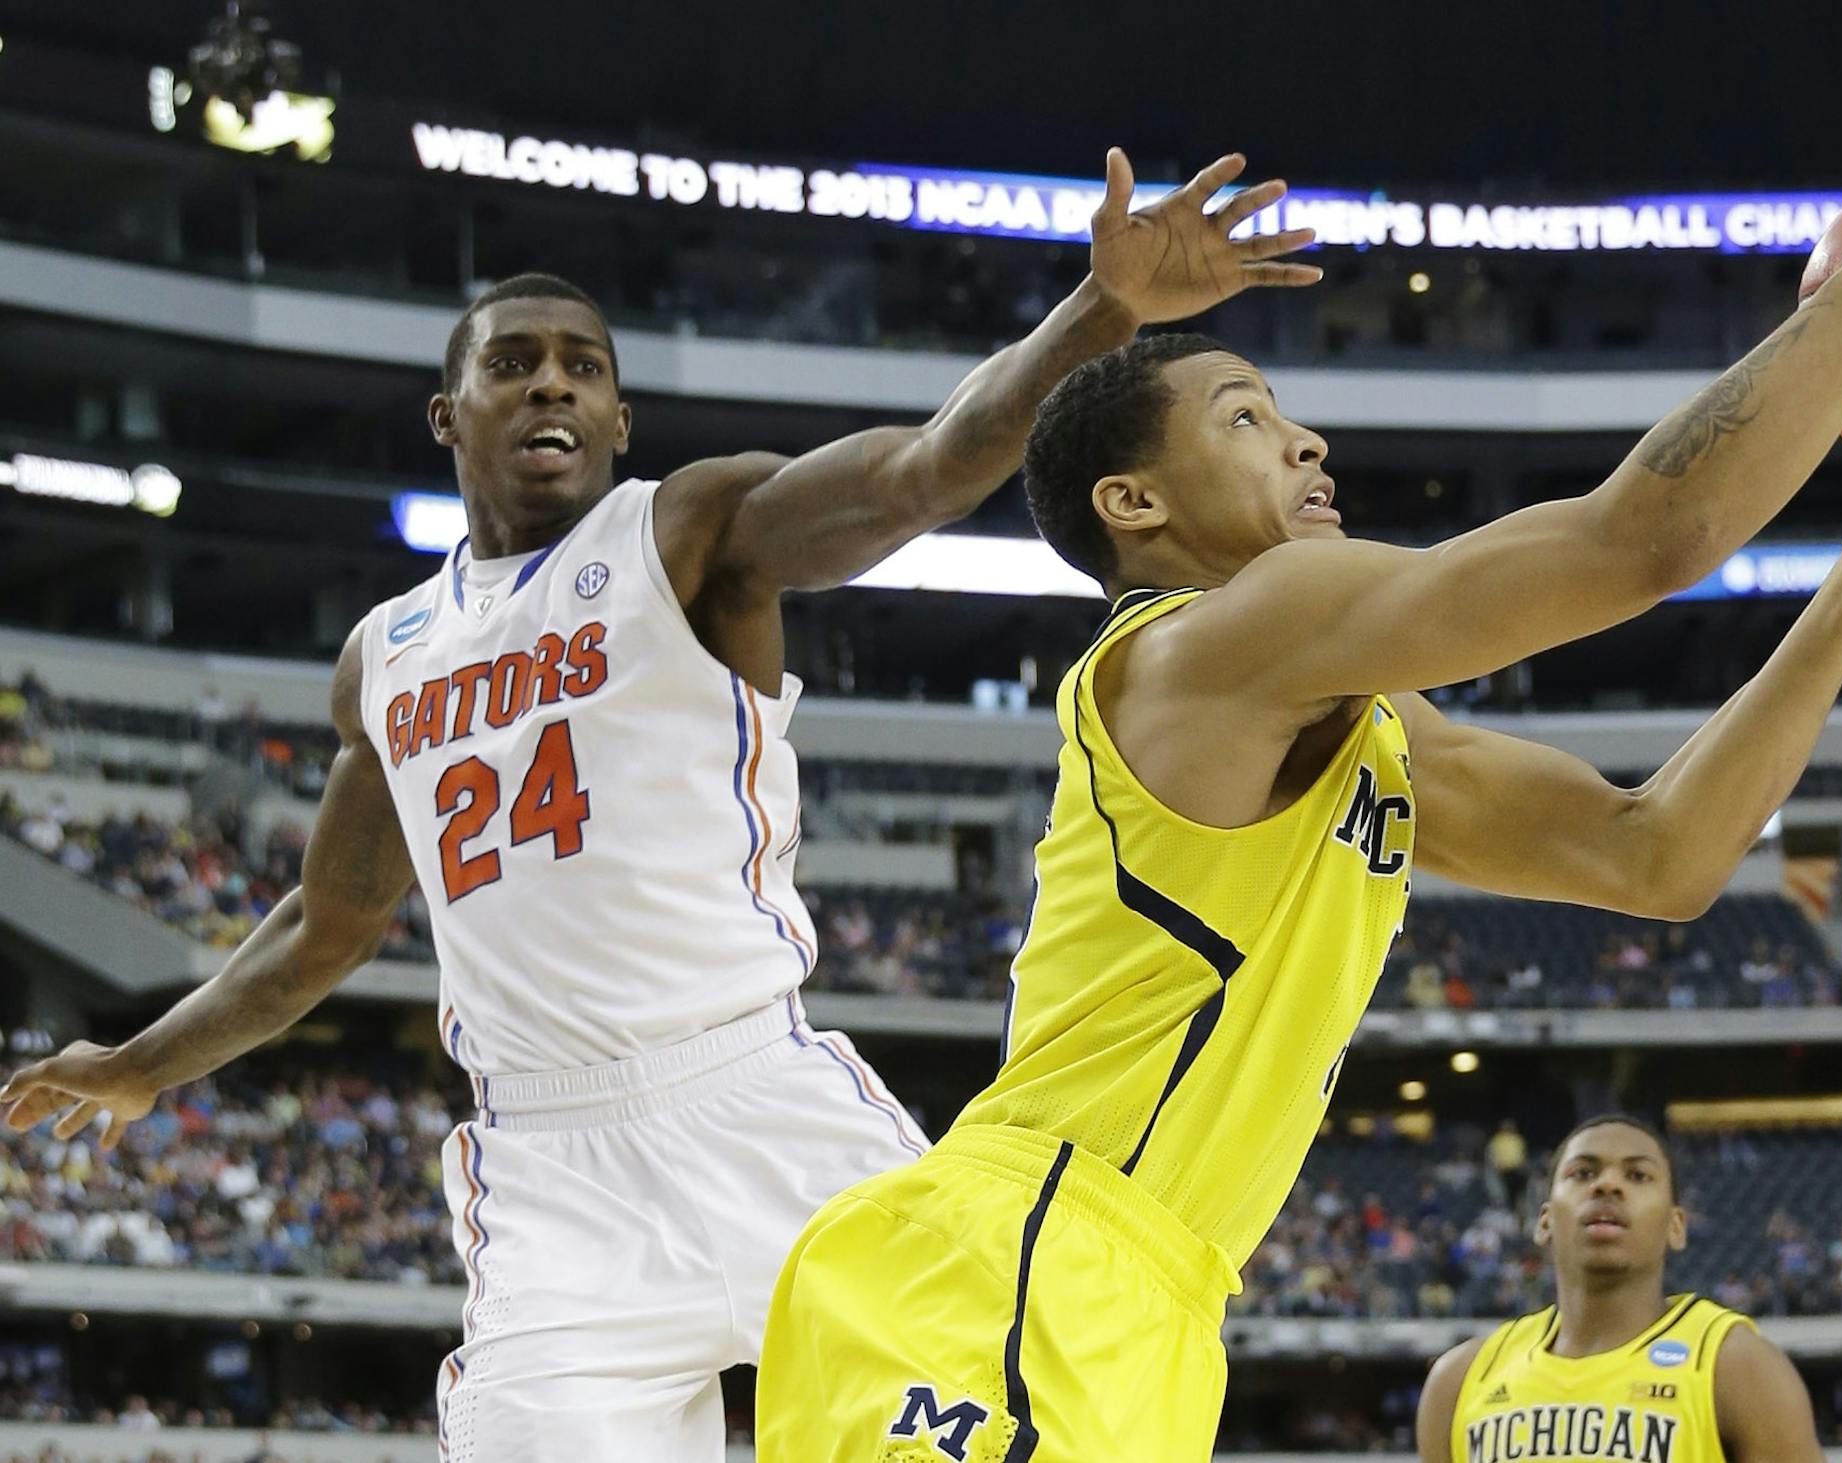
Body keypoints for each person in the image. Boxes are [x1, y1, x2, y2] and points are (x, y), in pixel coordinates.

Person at [751, 145, 1842, 1462]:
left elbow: (1658, 856)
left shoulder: (1363, 731)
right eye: (1245, 416)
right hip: (1011, 1260)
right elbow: (1637, 541)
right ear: (1134, 500)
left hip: (1146, 1297)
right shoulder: (1206, 641)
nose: (1307, 437)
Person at [0, 148, 1320, 1460]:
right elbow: (323, 926)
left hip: (760, 1099)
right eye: (514, 362)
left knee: (998, 1419)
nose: (553, 382)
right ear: (449, 415)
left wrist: (1099, 311)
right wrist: (139, 1063)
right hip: (551, 1174)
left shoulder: (687, 530)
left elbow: (922, 470)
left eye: (583, 365)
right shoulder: (383, 658)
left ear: (620, 421)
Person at [1417, 1117, 1823, 1463]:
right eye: (1583, 1173)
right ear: (1544, 1221)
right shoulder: (1459, 1380)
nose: (1607, 1185)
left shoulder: (1736, 1368)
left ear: (1676, 1226)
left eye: (1638, 1175)